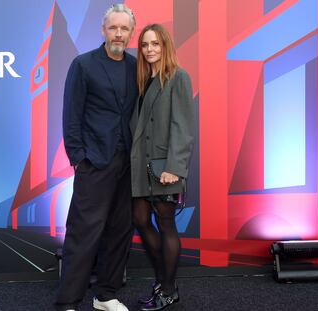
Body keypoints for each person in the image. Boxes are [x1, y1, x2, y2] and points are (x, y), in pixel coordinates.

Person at [54, 4, 137, 311]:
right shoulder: (83, 64)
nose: (118, 33)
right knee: (83, 232)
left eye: (124, 28)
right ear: (103, 30)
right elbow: (71, 114)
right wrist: (78, 157)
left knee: (120, 230)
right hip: (94, 162)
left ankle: (106, 295)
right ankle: (68, 301)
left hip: (127, 163)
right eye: (113, 27)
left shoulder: (135, 66)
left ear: (130, 33)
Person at [130, 23, 195, 311]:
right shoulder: (143, 81)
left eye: (155, 44)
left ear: (165, 45)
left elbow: (183, 126)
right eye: (145, 45)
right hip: (140, 166)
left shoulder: (178, 77)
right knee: (141, 220)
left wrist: (175, 166)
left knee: (166, 224)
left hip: (164, 166)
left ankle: (167, 289)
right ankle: (164, 281)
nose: (150, 49)